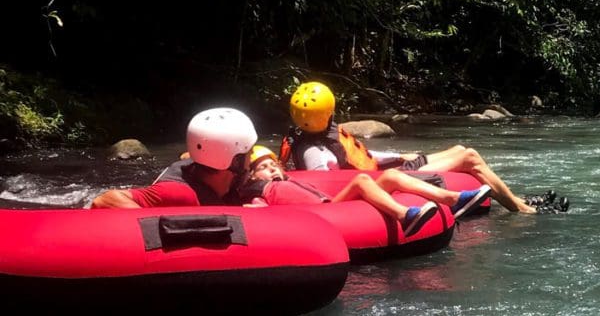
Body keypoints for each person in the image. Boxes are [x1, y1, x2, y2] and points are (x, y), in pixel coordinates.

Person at [280, 81, 551, 214]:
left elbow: (362, 156)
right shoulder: (315, 152)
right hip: (384, 181)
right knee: (469, 157)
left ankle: (517, 200)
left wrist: (399, 155)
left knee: (460, 148)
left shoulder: (313, 137)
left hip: (384, 169)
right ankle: (520, 207)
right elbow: (329, 184)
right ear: (328, 110)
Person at [240, 146, 492, 236]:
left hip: (332, 204)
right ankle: (405, 216)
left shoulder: (290, 179)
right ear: (252, 175)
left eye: (274, 164)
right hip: (324, 215)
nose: (272, 169)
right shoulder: (261, 192)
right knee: (361, 180)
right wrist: (260, 210)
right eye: (264, 167)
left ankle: (453, 200)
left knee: (392, 175)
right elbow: (257, 210)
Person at [91, 107, 258, 208]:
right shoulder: (179, 194)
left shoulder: (227, 182)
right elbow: (104, 200)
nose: (251, 160)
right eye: (249, 152)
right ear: (235, 161)